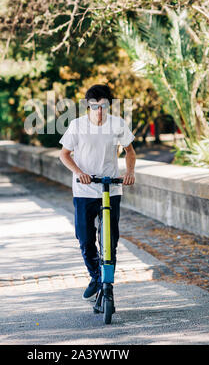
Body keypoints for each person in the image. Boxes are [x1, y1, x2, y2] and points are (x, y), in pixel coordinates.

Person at [59, 84, 136, 301]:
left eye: (103, 106)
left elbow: (129, 151)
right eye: (95, 107)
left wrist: (129, 171)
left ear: (109, 105)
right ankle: (95, 276)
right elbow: (64, 154)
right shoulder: (77, 125)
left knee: (110, 240)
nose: (99, 112)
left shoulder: (117, 124)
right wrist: (79, 172)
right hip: (84, 189)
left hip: (110, 188)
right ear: (87, 106)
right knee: (85, 238)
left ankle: (107, 281)